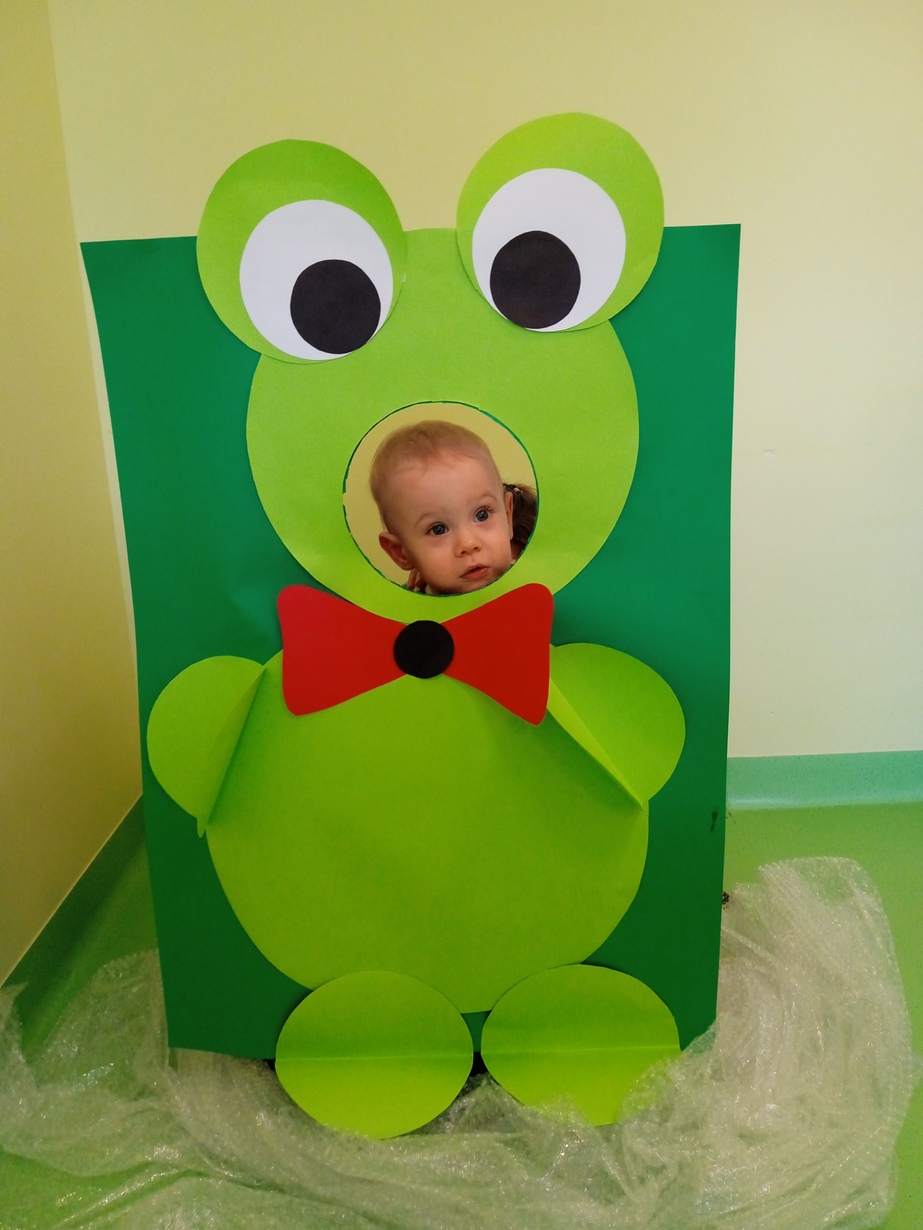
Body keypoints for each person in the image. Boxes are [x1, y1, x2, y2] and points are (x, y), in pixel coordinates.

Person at [369, 420, 536, 594]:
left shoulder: (537, 583)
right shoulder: (399, 609)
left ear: (508, 517)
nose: (468, 544)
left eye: (482, 515)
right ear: (401, 553)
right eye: (438, 530)